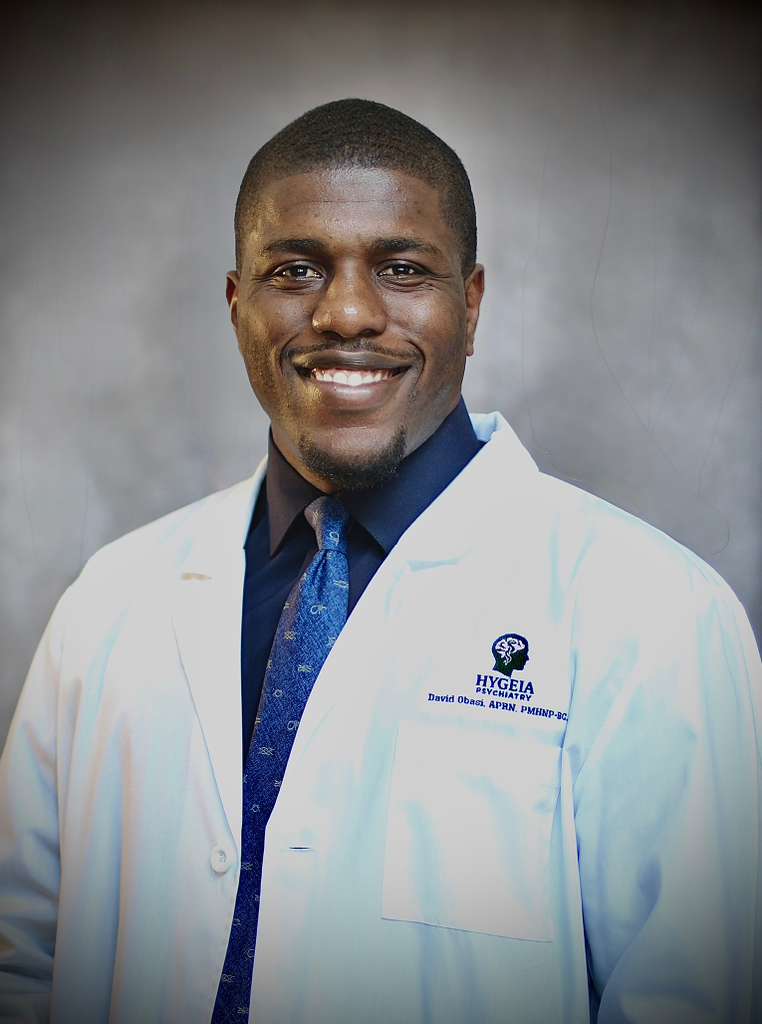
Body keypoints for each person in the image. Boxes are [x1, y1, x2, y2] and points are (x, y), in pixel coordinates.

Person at [0, 98, 760, 1024]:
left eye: (402, 269)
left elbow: (697, 997)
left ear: (470, 305)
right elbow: (19, 960)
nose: (347, 313)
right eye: (295, 269)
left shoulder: (656, 615)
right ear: (238, 306)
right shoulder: (109, 602)